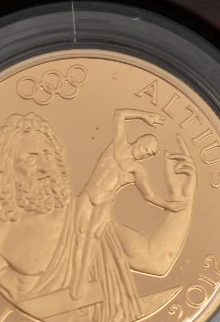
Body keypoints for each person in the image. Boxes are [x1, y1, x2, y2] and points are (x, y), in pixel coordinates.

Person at [0, 112, 196, 322]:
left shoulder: (81, 215)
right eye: (31, 158)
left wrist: (181, 200)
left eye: (48, 155)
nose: (44, 166)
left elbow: (156, 261)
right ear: (7, 168)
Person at [70, 109, 187, 300]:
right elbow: (119, 114)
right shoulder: (118, 145)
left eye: (149, 153)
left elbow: (148, 195)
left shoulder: (138, 170)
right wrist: (144, 116)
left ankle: (81, 279)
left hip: (104, 203)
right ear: (140, 139)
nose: (146, 153)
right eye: (147, 147)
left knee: (93, 237)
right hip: (88, 195)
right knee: (78, 234)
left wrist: (168, 205)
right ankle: (72, 275)